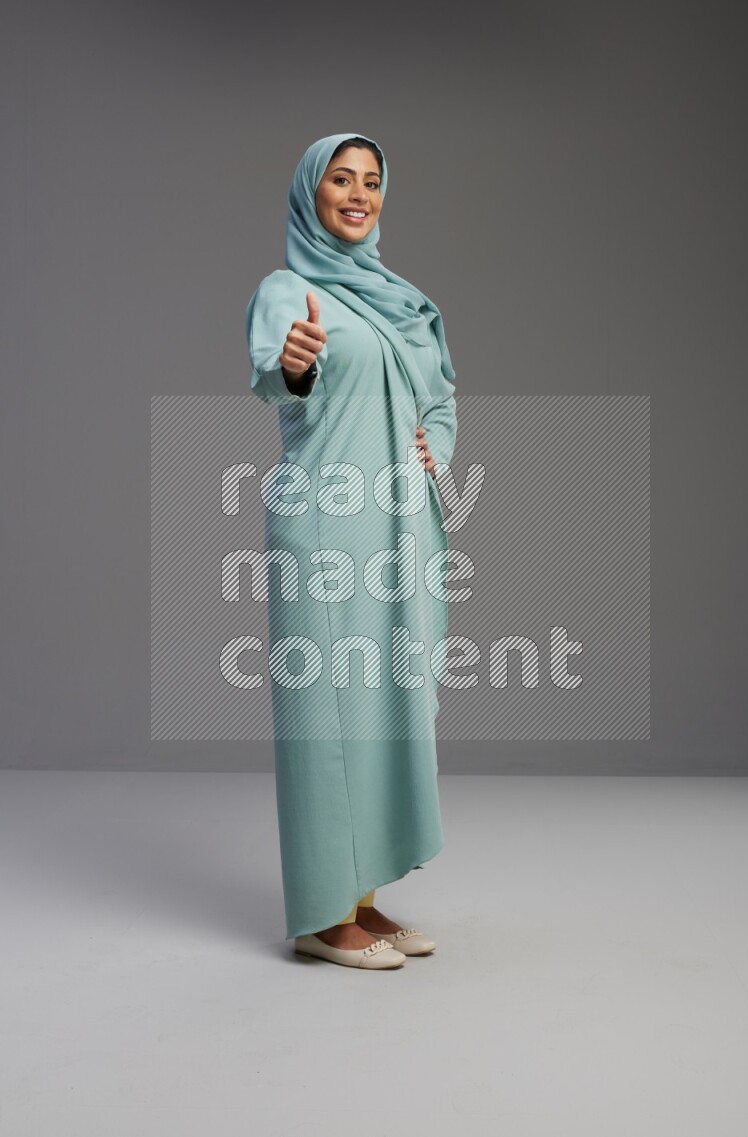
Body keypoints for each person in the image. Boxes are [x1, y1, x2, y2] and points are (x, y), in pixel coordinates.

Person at [245, 133, 457, 970]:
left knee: (382, 711)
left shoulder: (401, 300)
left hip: (400, 528)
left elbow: (439, 399)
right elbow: (276, 373)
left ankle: (361, 899)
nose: (359, 194)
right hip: (326, 530)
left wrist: (435, 446)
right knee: (326, 719)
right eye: (341, 179)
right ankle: (321, 915)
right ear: (312, 192)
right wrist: (295, 365)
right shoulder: (287, 290)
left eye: (372, 181)